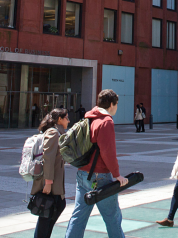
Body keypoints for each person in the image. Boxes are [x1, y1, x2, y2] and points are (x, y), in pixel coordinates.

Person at [64, 90, 128, 238]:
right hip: (99, 177)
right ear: (111, 104)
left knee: (79, 215)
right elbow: (108, 152)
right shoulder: (106, 121)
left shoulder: (89, 118)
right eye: (116, 104)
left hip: (83, 173)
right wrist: (117, 174)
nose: (116, 107)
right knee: (112, 217)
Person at [32, 109, 70, 238]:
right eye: (66, 118)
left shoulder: (58, 133)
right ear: (59, 119)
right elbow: (47, 158)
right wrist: (48, 182)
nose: (68, 121)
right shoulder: (53, 133)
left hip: (55, 181)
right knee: (47, 211)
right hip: (51, 182)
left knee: (52, 210)